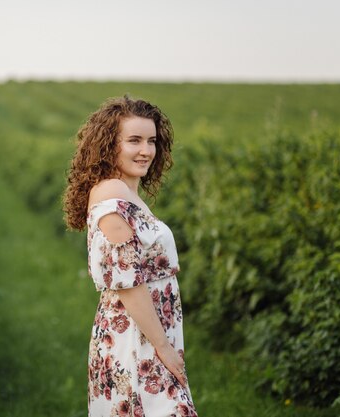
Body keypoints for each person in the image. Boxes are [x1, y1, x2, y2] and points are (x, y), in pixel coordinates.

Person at [63, 96, 198, 417]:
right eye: (134, 140)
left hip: (146, 331)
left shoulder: (124, 192)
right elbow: (126, 280)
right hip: (134, 338)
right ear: (109, 144)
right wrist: (163, 348)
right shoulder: (111, 196)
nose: (146, 150)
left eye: (151, 141)